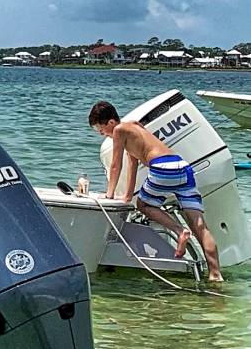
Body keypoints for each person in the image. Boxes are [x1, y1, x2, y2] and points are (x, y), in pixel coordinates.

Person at [89, 100, 222, 283]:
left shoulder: (119, 131)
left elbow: (115, 165)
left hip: (163, 168)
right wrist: (127, 196)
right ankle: (216, 275)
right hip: (182, 167)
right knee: (200, 226)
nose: (102, 134)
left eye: (101, 130)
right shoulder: (134, 126)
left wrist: (109, 194)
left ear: (111, 123)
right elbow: (133, 163)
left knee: (143, 204)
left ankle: (179, 230)